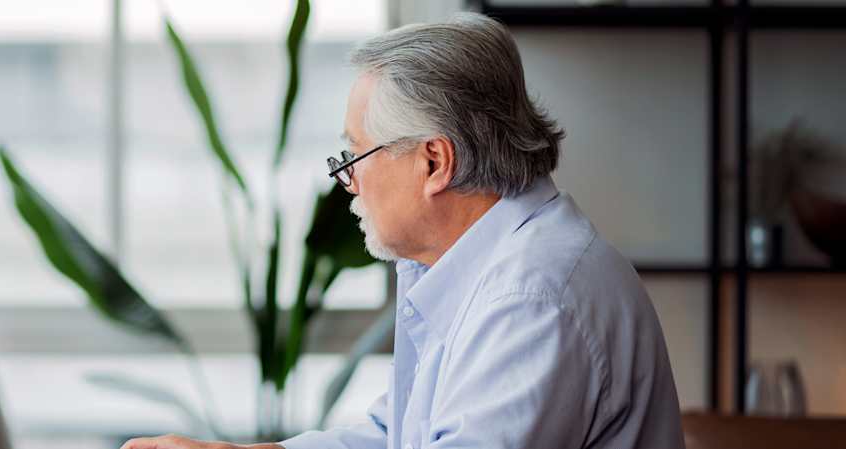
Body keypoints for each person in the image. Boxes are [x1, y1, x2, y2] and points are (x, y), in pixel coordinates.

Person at [121, 12, 685, 449]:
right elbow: (394, 437)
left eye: (355, 155)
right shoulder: (478, 266)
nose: (349, 183)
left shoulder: (530, 299)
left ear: (435, 163)